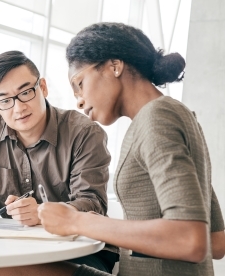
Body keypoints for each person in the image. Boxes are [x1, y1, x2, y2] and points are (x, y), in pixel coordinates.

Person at [36, 22, 225, 276]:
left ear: (114, 66)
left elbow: (190, 239)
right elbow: (216, 241)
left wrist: (77, 221)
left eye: (79, 83)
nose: (79, 101)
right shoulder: (175, 114)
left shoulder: (157, 118)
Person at [0, 51, 119, 274]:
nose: (18, 108)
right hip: (13, 247)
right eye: (5, 100)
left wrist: (42, 213)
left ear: (43, 88)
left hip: (81, 250)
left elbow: (92, 202)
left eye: (26, 92)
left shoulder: (84, 133)